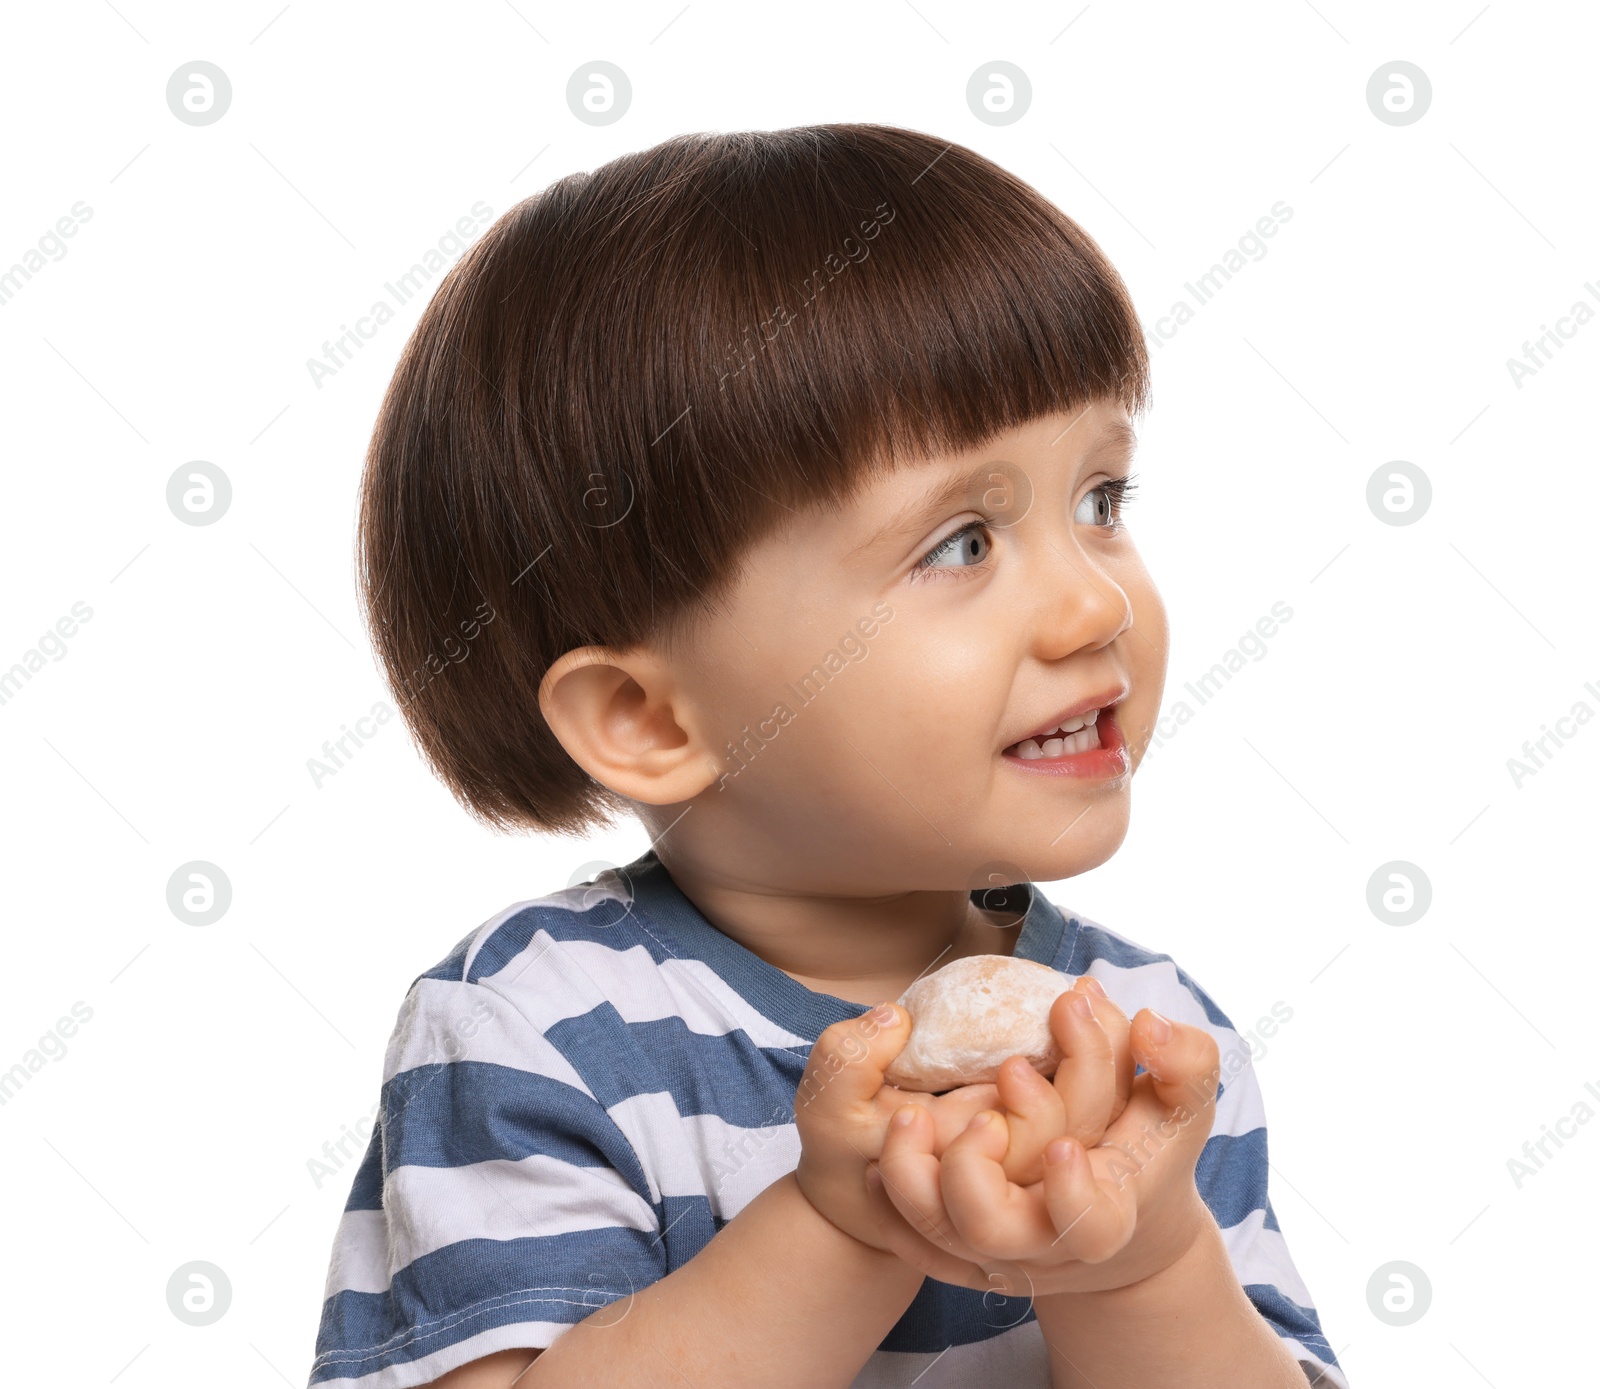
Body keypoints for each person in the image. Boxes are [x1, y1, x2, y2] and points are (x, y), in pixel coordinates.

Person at [308, 123, 1348, 1389]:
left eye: (1101, 502)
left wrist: (1137, 1262)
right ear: (649, 718)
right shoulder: (538, 1028)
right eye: (961, 541)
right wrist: (843, 1227)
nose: (1096, 607)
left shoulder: (1147, 1042)